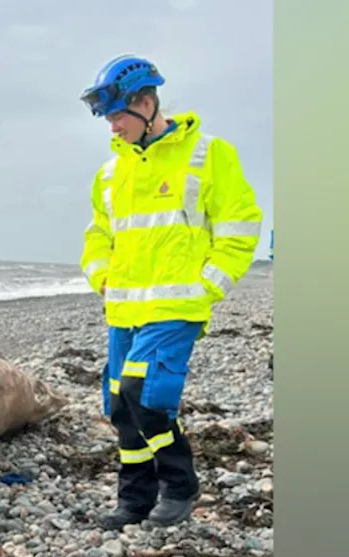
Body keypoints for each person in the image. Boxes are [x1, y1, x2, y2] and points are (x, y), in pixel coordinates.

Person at [78, 55, 262, 530]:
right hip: (124, 311)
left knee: (146, 396)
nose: (112, 126)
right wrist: (100, 276)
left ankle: (180, 486)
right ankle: (134, 500)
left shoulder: (208, 154)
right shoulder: (109, 174)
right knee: (119, 405)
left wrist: (207, 287)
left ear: (146, 103)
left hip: (177, 306)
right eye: (109, 118)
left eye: (118, 115)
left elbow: (240, 229)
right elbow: (99, 234)